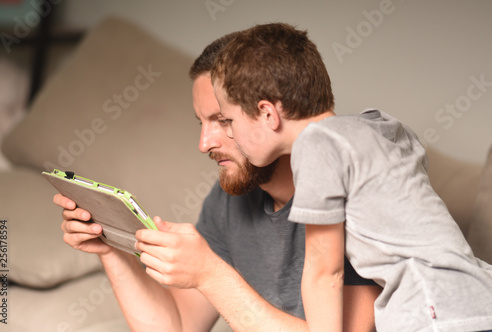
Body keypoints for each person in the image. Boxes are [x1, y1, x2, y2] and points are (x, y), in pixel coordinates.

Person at [54, 31, 381, 331]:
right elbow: (177, 326)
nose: (204, 143)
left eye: (223, 120)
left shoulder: (355, 191)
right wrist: (110, 247)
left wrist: (210, 274)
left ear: (268, 115)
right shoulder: (231, 197)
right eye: (202, 122)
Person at [210, 22, 492, 331]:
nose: (229, 133)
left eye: (228, 120)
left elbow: (325, 274)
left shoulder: (316, 146)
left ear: (267, 114)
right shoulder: (381, 125)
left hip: (431, 311)